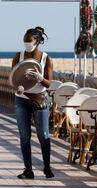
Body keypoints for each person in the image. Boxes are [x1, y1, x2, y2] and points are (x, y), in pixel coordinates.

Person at [11, 27, 54, 179]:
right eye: (25, 40)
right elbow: (13, 79)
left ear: (37, 41)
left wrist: (40, 78)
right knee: (24, 135)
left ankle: (47, 167)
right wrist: (19, 88)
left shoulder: (45, 59)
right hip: (22, 100)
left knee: (43, 135)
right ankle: (28, 169)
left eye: (29, 41)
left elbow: (49, 84)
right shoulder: (19, 56)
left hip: (40, 100)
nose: (26, 44)